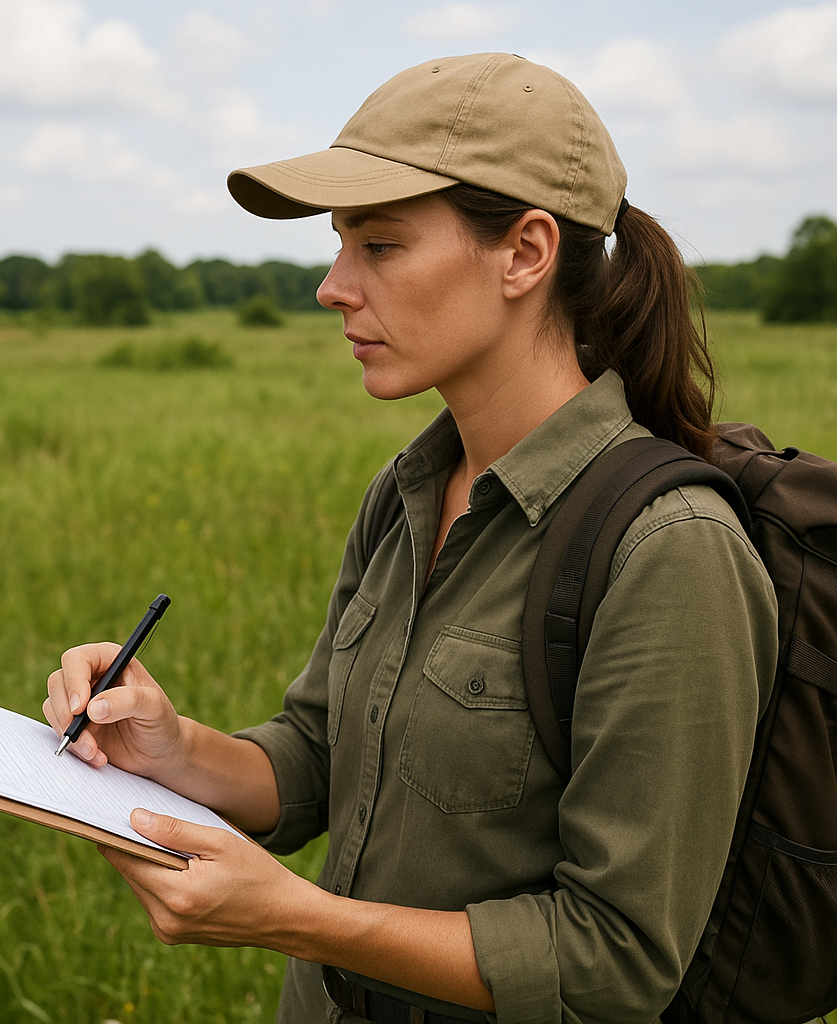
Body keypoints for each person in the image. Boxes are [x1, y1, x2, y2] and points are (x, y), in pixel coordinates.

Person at [43, 53, 778, 1024]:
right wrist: (172, 749)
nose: (332, 286)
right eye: (340, 243)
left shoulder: (669, 550)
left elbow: (617, 959)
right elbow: (316, 756)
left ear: (525, 252)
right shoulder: (407, 490)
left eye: (380, 245)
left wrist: (303, 919)